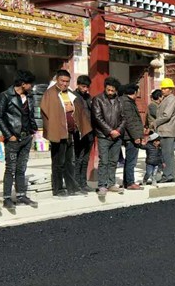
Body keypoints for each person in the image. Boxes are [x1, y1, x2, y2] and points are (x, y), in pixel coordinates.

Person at [40, 69, 91, 198]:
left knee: (70, 162)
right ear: (57, 80)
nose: (64, 84)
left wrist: (73, 109)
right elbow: (48, 113)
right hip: (58, 132)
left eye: (67, 81)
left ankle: (72, 187)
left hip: (70, 133)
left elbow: (79, 109)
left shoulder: (70, 94)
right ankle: (58, 189)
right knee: (58, 162)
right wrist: (64, 110)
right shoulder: (50, 94)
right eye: (62, 81)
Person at [0, 70, 38, 207]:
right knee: (10, 168)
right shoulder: (6, 96)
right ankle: (7, 198)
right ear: (23, 84)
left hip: (26, 137)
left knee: (21, 167)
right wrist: (9, 135)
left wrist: (33, 130)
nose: (32, 86)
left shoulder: (29, 97)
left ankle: (21, 195)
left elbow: (31, 115)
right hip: (13, 137)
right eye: (30, 84)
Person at [91, 76, 125, 196]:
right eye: (108, 90)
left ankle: (111, 183)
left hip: (117, 136)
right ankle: (102, 185)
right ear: (105, 88)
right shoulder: (98, 99)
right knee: (104, 161)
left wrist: (118, 130)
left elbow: (124, 118)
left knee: (113, 161)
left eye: (112, 90)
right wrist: (110, 131)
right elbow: (97, 117)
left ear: (116, 90)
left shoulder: (119, 101)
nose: (110, 92)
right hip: (103, 135)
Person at [153, 78, 175, 182]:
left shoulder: (171, 100)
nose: (163, 90)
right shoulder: (167, 99)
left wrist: (155, 123)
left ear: (170, 89)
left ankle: (168, 175)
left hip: (167, 130)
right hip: (167, 130)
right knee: (169, 155)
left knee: (166, 155)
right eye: (162, 88)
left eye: (165, 88)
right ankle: (171, 175)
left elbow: (166, 115)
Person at [120, 83, 144, 190]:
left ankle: (127, 181)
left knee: (129, 160)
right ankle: (130, 182)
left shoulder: (128, 102)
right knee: (131, 161)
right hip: (130, 136)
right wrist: (136, 136)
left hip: (131, 135)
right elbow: (129, 121)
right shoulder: (127, 103)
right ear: (134, 92)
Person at [72, 75, 94, 192]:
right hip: (79, 132)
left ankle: (83, 183)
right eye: (83, 86)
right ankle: (76, 183)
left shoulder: (88, 97)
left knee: (86, 158)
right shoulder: (73, 96)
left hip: (90, 131)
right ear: (78, 85)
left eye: (87, 87)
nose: (85, 89)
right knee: (78, 158)